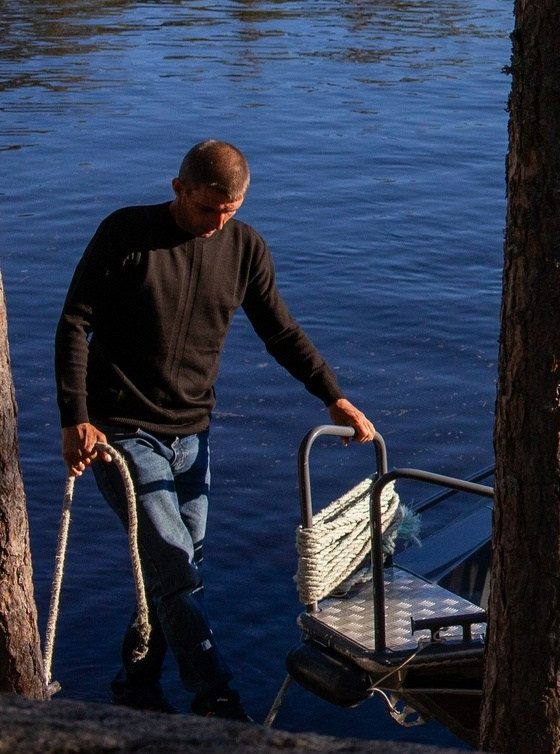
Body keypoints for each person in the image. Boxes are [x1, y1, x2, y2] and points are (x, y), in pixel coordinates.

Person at [55, 139, 373, 718]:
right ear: (179, 190)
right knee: (177, 563)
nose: (218, 222)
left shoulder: (244, 247)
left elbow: (280, 330)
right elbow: (76, 323)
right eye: (208, 208)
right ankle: (216, 696)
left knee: (175, 570)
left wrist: (334, 396)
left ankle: (135, 685)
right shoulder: (126, 234)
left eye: (232, 210)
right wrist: (75, 417)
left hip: (192, 435)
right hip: (121, 432)